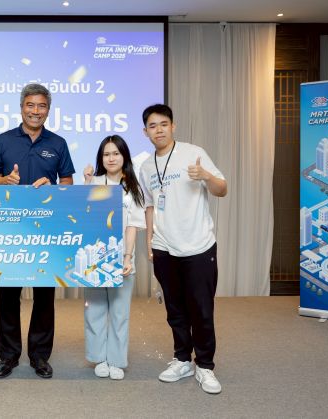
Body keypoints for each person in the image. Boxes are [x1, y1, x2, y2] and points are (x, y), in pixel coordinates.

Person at [0, 83, 75, 379]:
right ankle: (8, 356)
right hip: (10, 229)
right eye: (30, 105)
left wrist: (54, 186)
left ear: (48, 110)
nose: (35, 111)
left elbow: (68, 184)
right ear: (21, 107)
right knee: (8, 296)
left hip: (46, 230)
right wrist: (5, 181)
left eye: (42, 106)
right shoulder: (2, 140)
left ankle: (39, 356)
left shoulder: (58, 143)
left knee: (44, 296)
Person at [139, 104, 227, 394]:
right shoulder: (146, 166)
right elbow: (150, 206)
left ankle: (205, 365)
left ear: (173, 126)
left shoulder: (193, 153)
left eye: (163, 124)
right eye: (152, 126)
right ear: (145, 132)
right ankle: (182, 360)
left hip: (198, 245)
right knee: (175, 310)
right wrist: (150, 242)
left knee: (201, 309)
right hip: (164, 247)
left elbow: (222, 189)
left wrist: (205, 176)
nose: (159, 130)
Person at [82, 135, 145, 380]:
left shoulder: (133, 187)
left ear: (124, 156)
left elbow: (132, 226)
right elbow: (83, 217)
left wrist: (127, 258)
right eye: (106, 154)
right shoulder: (94, 182)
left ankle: (117, 360)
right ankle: (99, 358)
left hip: (122, 259)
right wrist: (86, 183)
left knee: (119, 312)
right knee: (95, 311)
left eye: (116, 153)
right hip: (94, 259)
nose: (111, 158)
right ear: (101, 158)